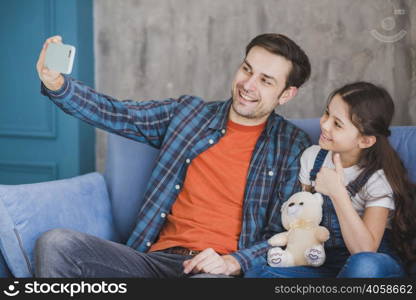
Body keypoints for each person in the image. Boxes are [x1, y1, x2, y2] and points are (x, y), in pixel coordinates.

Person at [34, 33, 312, 277]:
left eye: (265, 81)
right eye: (246, 69)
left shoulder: (291, 146)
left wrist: (234, 262)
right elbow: (118, 114)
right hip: (151, 262)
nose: (248, 85)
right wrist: (58, 84)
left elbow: (287, 231)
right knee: (56, 243)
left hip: (213, 271)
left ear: (286, 94)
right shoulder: (188, 114)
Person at [245, 82, 416, 278]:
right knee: (259, 273)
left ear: (365, 140)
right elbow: (303, 212)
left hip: (372, 263)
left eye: (337, 124)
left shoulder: (377, 179)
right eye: (327, 114)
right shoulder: (312, 158)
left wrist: (337, 192)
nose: (324, 125)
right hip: (323, 260)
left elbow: (364, 249)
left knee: (365, 266)